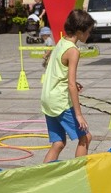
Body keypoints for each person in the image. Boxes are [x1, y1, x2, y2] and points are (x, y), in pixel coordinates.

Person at [40, 9, 95, 162]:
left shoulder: (61, 42)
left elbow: (57, 70)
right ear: (79, 30)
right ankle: (78, 174)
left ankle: (43, 177)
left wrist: (71, 82)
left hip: (47, 98)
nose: (89, 35)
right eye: (88, 32)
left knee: (58, 143)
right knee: (85, 137)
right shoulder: (73, 50)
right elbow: (71, 84)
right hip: (60, 102)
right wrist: (78, 114)